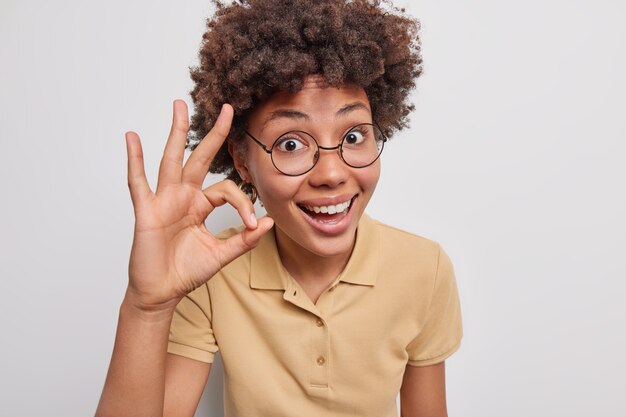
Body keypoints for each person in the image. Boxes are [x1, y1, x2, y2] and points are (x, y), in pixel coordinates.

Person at [95, 0, 463, 416]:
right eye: (291, 143)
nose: (331, 172)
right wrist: (147, 308)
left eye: (355, 136)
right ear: (241, 161)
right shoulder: (209, 274)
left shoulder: (424, 269)